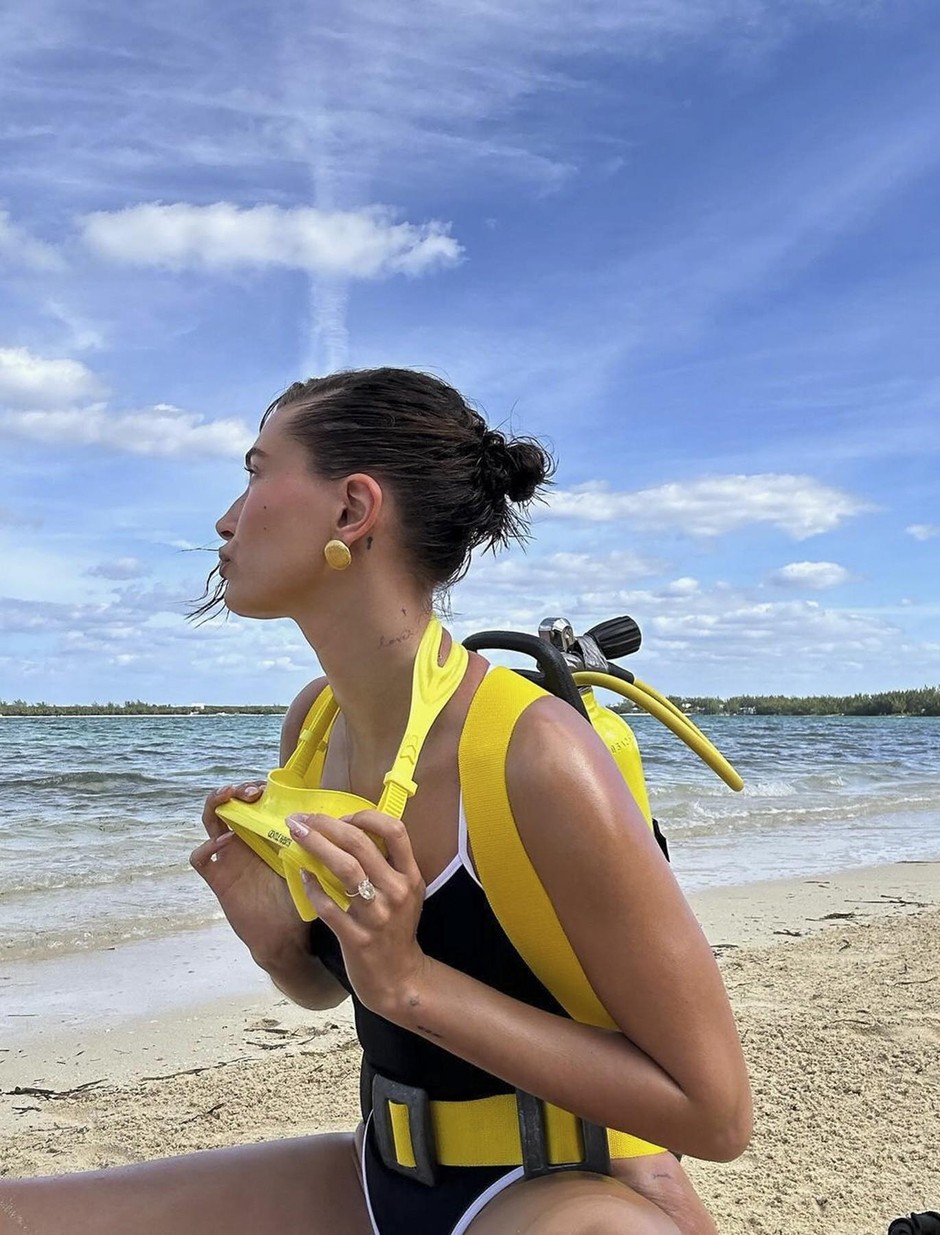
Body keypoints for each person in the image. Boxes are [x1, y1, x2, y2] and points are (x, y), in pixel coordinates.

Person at [0, 368, 751, 1235]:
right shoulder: (315, 725)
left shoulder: (534, 754)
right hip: (377, 1171)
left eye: (255, 471)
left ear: (352, 511)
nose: (226, 517)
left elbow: (716, 1113)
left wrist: (411, 983)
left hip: (554, 1188)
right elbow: (333, 995)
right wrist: (281, 946)